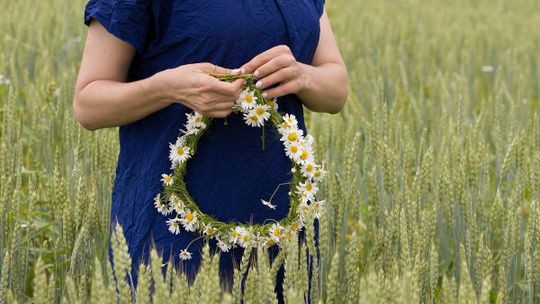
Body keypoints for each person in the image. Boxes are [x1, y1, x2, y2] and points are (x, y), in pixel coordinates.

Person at [73, 0, 348, 302]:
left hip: (282, 227)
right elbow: (88, 104)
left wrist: (302, 75)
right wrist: (166, 88)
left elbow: (336, 90)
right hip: (176, 229)